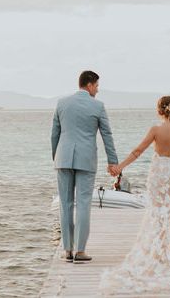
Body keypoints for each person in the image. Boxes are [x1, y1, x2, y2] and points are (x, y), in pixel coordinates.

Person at [99, 96, 170, 297]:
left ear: (160, 110)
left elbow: (138, 151)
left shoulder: (156, 130)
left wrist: (118, 168)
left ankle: (158, 253)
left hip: (160, 173)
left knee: (157, 212)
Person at [51, 70, 119, 263]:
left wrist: (56, 156)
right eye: (97, 86)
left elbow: (54, 134)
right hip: (86, 160)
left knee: (65, 205)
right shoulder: (97, 106)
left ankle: (67, 250)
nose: (97, 90)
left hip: (63, 159)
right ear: (89, 84)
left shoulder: (62, 103)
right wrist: (112, 161)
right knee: (83, 204)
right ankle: (80, 251)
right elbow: (107, 135)